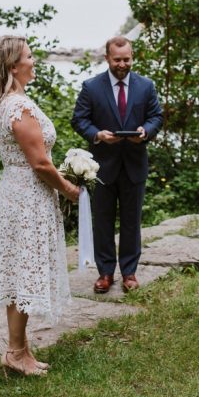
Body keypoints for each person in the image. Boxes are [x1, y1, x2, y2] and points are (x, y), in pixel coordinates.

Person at [0, 35, 80, 376]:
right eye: (29, 56)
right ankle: (14, 351)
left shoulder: (12, 101)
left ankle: (20, 349)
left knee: (19, 272)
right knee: (23, 271)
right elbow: (39, 163)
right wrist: (67, 187)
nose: (34, 60)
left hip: (20, 192)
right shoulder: (17, 107)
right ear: (13, 66)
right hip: (26, 197)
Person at [71, 36, 163, 294]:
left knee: (132, 221)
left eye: (127, 59)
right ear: (107, 59)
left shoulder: (146, 86)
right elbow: (79, 120)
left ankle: (130, 272)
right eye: (117, 60)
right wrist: (97, 135)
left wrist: (145, 132)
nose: (123, 64)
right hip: (101, 167)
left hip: (134, 165)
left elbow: (157, 117)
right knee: (102, 221)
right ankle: (105, 272)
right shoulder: (91, 87)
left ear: (132, 57)